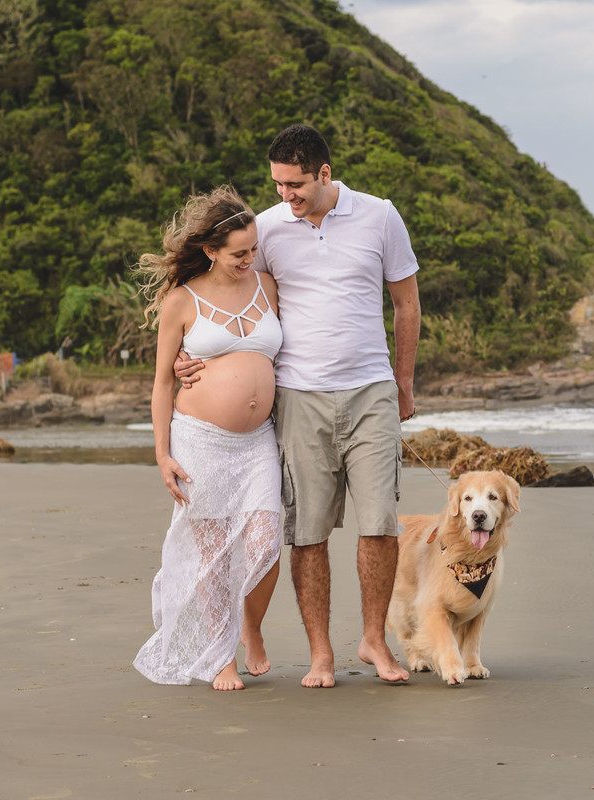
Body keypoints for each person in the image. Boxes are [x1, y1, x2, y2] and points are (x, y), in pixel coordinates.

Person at [177, 125, 420, 688]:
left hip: (371, 390)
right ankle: (320, 656)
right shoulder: (265, 229)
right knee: (307, 531)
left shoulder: (380, 216)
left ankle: (373, 641)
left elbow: (406, 303)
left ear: (325, 174)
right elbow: (228, 295)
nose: (286, 195)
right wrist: (183, 357)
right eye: (279, 185)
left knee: (379, 522)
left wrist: (403, 382)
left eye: (296, 185)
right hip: (299, 397)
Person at [132, 186, 285, 691]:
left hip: (257, 439)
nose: (249, 259)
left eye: (253, 249)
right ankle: (222, 657)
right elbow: (161, 382)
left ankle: (251, 627)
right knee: (214, 548)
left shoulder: (268, 285)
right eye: (239, 252)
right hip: (199, 440)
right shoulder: (182, 300)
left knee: (266, 538)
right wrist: (162, 454)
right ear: (211, 251)